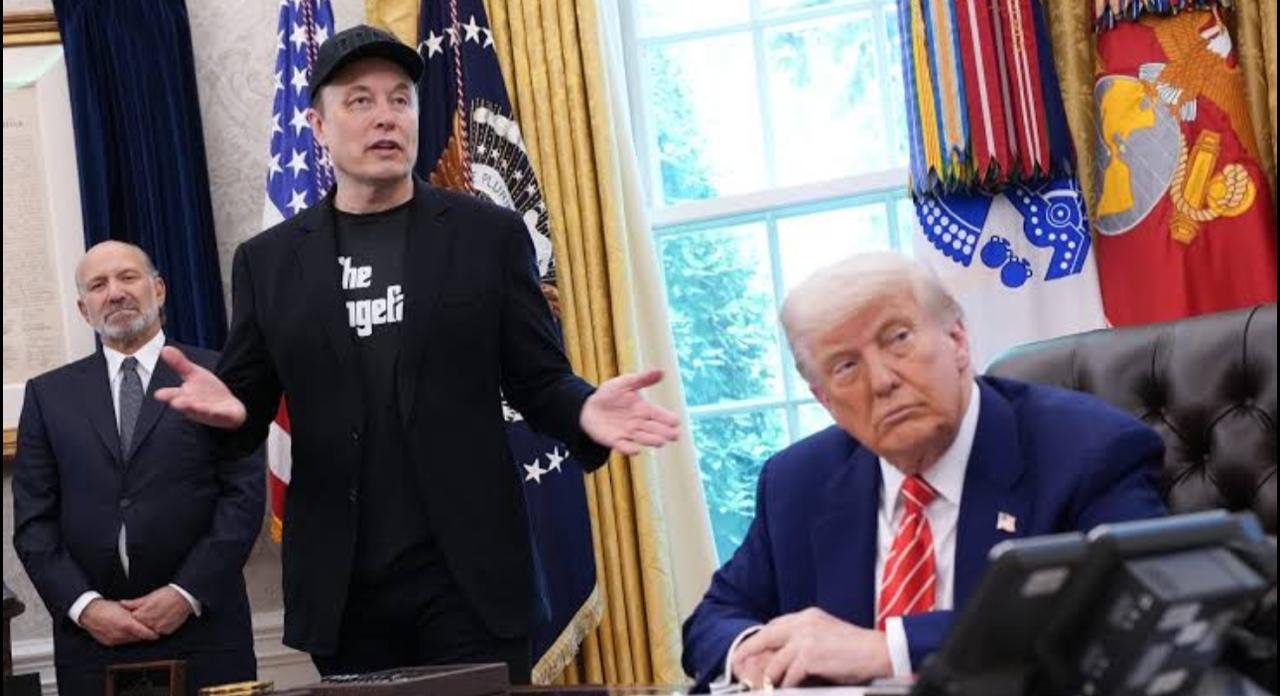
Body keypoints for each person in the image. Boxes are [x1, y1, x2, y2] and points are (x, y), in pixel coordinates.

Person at [153, 25, 679, 679]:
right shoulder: (269, 261)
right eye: (360, 100)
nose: (386, 117)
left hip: (471, 580)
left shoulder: (486, 236)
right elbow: (247, 406)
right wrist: (230, 417)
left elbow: (540, 379)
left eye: (400, 99)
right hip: (345, 590)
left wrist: (583, 409)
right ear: (318, 125)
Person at [681, 252, 1168, 690]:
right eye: (846, 367)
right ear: (824, 400)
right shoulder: (797, 482)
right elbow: (715, 618)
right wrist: (751, 652)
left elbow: (1131, 611)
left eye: (898, 339)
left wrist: (888, 649)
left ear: (957, 340)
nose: (882, 381)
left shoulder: (1088, 450)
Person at [12, 241, 263, 694]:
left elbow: (242, 500)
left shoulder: (215, 376)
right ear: (84, 309)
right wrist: (85, 607)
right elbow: (34, 524)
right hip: (91, 645)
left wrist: (184, 594)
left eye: (127, 277)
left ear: (159, 290)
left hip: (205, 633)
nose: (114, 292)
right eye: (98, 285)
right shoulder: (47, 396)